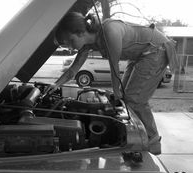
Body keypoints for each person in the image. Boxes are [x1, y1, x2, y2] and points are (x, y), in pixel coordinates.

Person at [47, 12, 178, 155]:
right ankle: (140, 136)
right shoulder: (87, 45)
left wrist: (116, 93)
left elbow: (114, 67)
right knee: (127, 100)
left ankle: (153, 142)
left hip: (156, 49)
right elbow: (73, 70)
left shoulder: (109, 31)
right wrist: (56, 84)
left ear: (80, 32)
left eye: (70, 41)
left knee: (134, 100)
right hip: (139, 56)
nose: (71, 47)